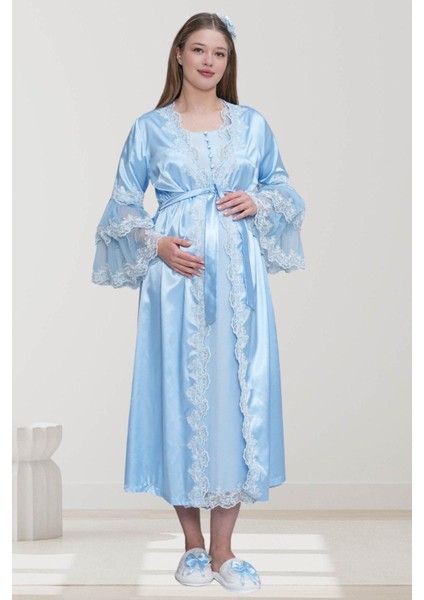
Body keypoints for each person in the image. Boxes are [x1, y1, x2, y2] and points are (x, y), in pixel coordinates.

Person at [92, 12, 306, 594]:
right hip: (176, 284)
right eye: (199, 50)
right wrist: (156, 243)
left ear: (227, 62)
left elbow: (284, 188)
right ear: (179, 54)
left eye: (220, 53)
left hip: (240, 285)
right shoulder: (150, 129)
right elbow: (122, 204)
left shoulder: (252, 125)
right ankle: (191, 546)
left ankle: (225, 550)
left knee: (236, 396)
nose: (209, 61)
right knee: (180, 395)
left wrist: (259, 202)